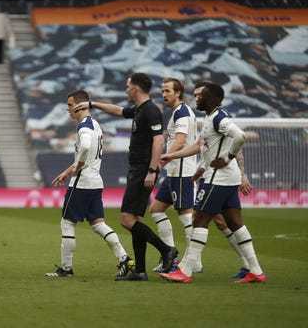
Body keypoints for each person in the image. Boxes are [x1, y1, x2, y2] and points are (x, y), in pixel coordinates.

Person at [159, 82, 266, 283]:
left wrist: (227, 158)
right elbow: (198, 146)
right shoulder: (209, 118)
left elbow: (240, 136)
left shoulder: (219, 117)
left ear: (212, 98)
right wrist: (172, 155)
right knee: (235, 223)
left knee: (199, 219)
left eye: (201, 95)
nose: (196, 98)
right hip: (226, 178)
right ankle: (256, 270)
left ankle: (186, 271)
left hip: (219, 177)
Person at [75, 73, 178, 281]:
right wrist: (92, 103)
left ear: (136, 89)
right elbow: (119, 111)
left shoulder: (151, 111)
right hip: (138, 169)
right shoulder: (141, 109)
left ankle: (166, 250)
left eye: (127, 86)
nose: (125, 90)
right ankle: (140, 270)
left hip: (143, 170)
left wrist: (151, 170)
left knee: (126, 219)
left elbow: (158, 142)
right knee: (135, 220)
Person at [45, 90, 131, 278]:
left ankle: (66, 268)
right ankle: (124, 257)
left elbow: (84, 147)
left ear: (79, 105)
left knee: (67, 223)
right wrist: (68, 171)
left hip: (82, 183)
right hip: (95, 181)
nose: (68, 109)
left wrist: (78, 165)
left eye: (70, 105)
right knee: (98, 224)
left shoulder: (84, 126)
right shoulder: (96, 125)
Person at [148, 78, 198, 273]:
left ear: (178, 93)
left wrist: (162, 160)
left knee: (186, 216)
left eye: (167, 91)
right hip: (174, 172)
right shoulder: (178, 112)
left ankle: (193, 260)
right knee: (156, 210)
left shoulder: (183, 113)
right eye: (163, 91)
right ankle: (170, 255)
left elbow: (180, 140)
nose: (164, 94)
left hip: (182, 172)